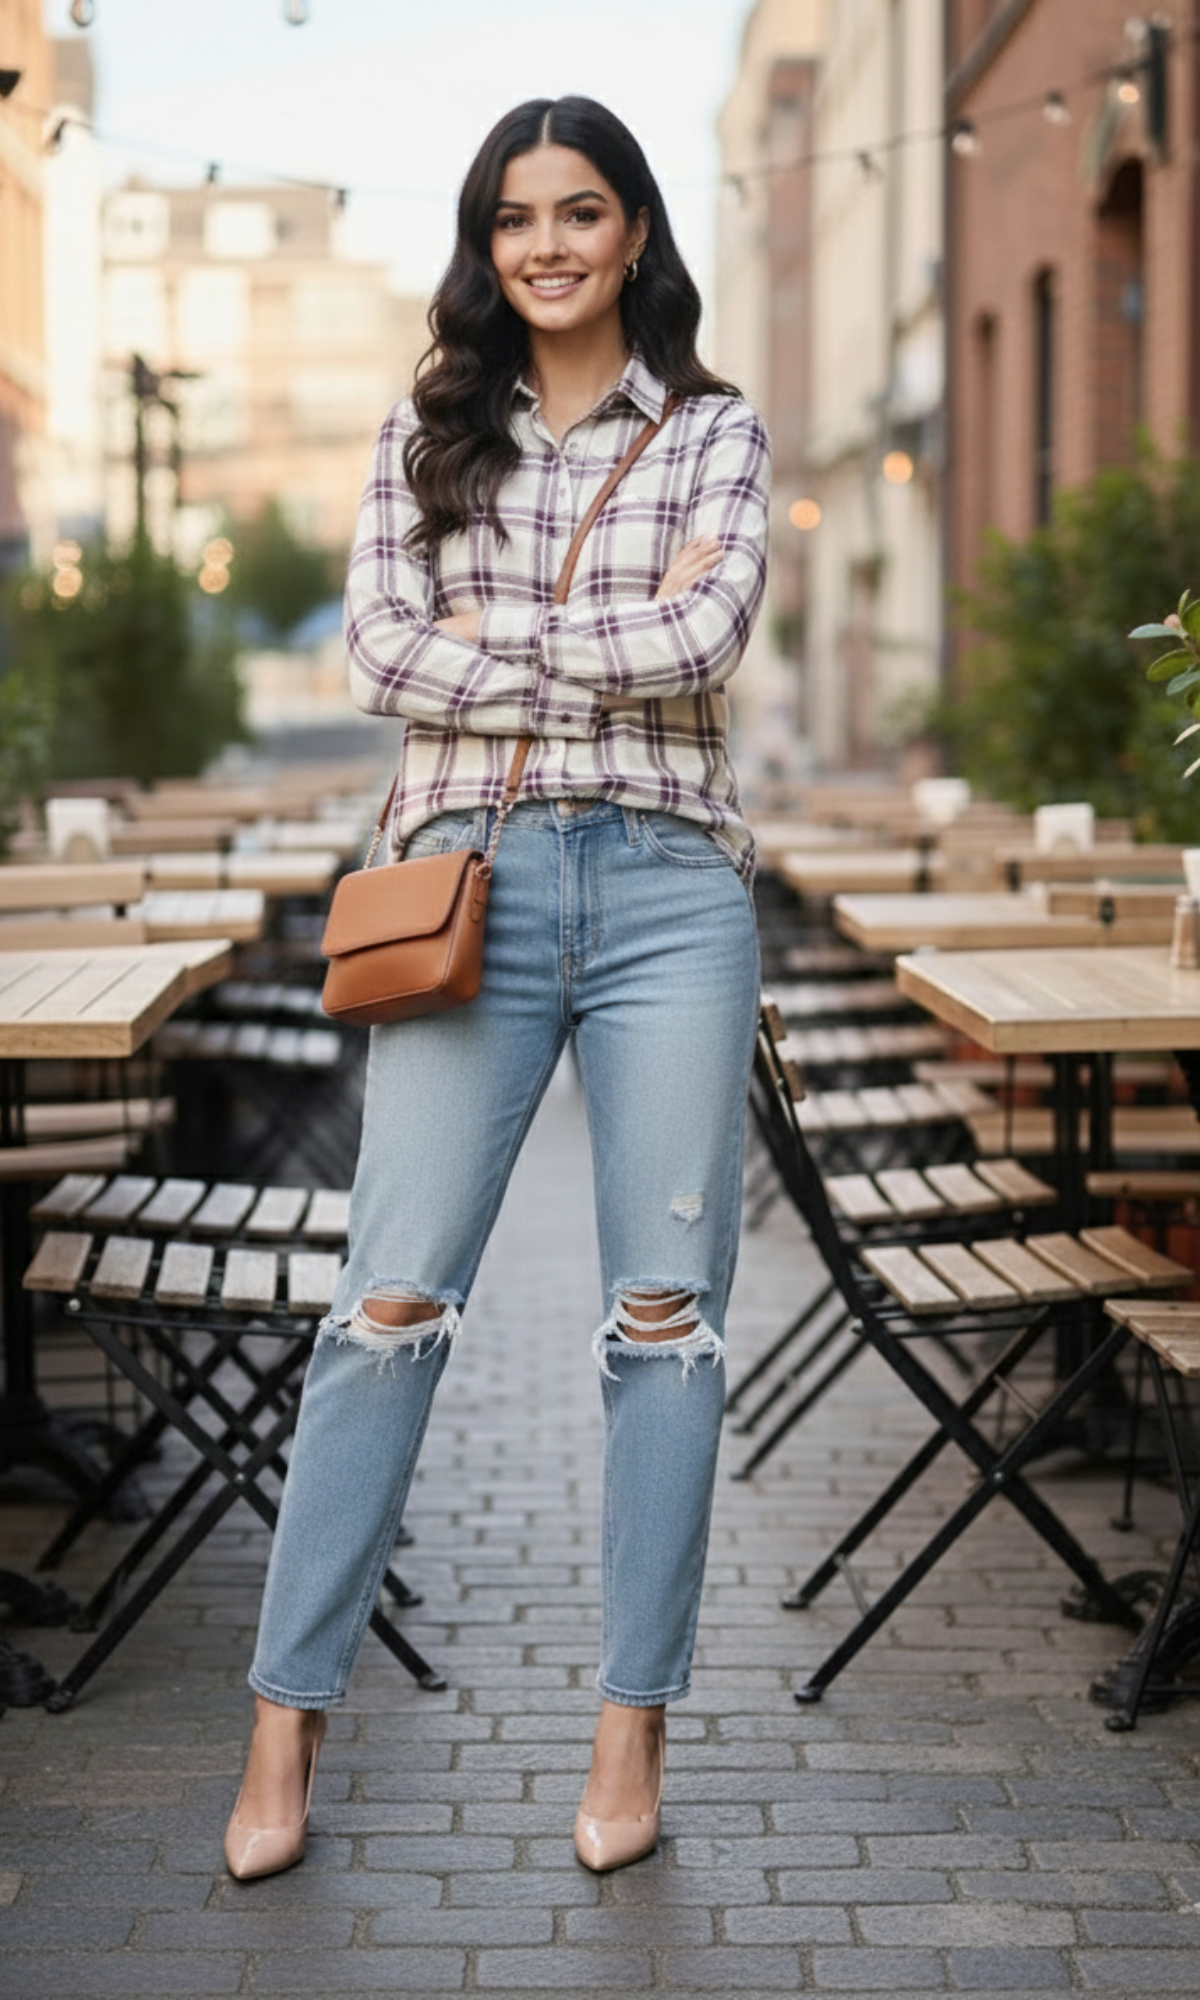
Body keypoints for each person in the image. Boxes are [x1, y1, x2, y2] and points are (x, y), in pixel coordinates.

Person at [224, 93, 770, 1884]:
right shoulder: (423, 433)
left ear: (634, 234)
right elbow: (379, 650)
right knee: (386, 1306)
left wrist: (487, 657)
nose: (549, 243)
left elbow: (708, 637)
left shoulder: (715, 434)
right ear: (489, 239)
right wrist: (566, 654)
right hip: (470, 886)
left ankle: (630, 1732)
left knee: (664, 1320)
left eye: (583, 212)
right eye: (518, 216)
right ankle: (282, 1727)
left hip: (676, 889)